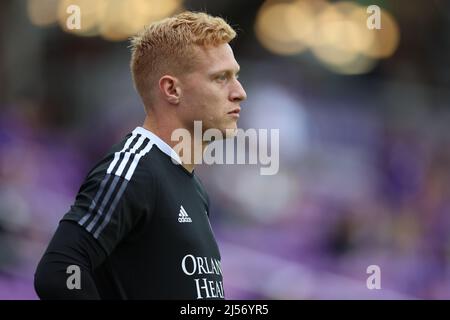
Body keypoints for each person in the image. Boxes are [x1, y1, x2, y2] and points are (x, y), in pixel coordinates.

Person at [34, 11, 247, 299]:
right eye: (221, 78)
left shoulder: (193, 187)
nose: (239, 92)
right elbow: (59, 271)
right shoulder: (134, 169)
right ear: (171, 89)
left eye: (236, 76)